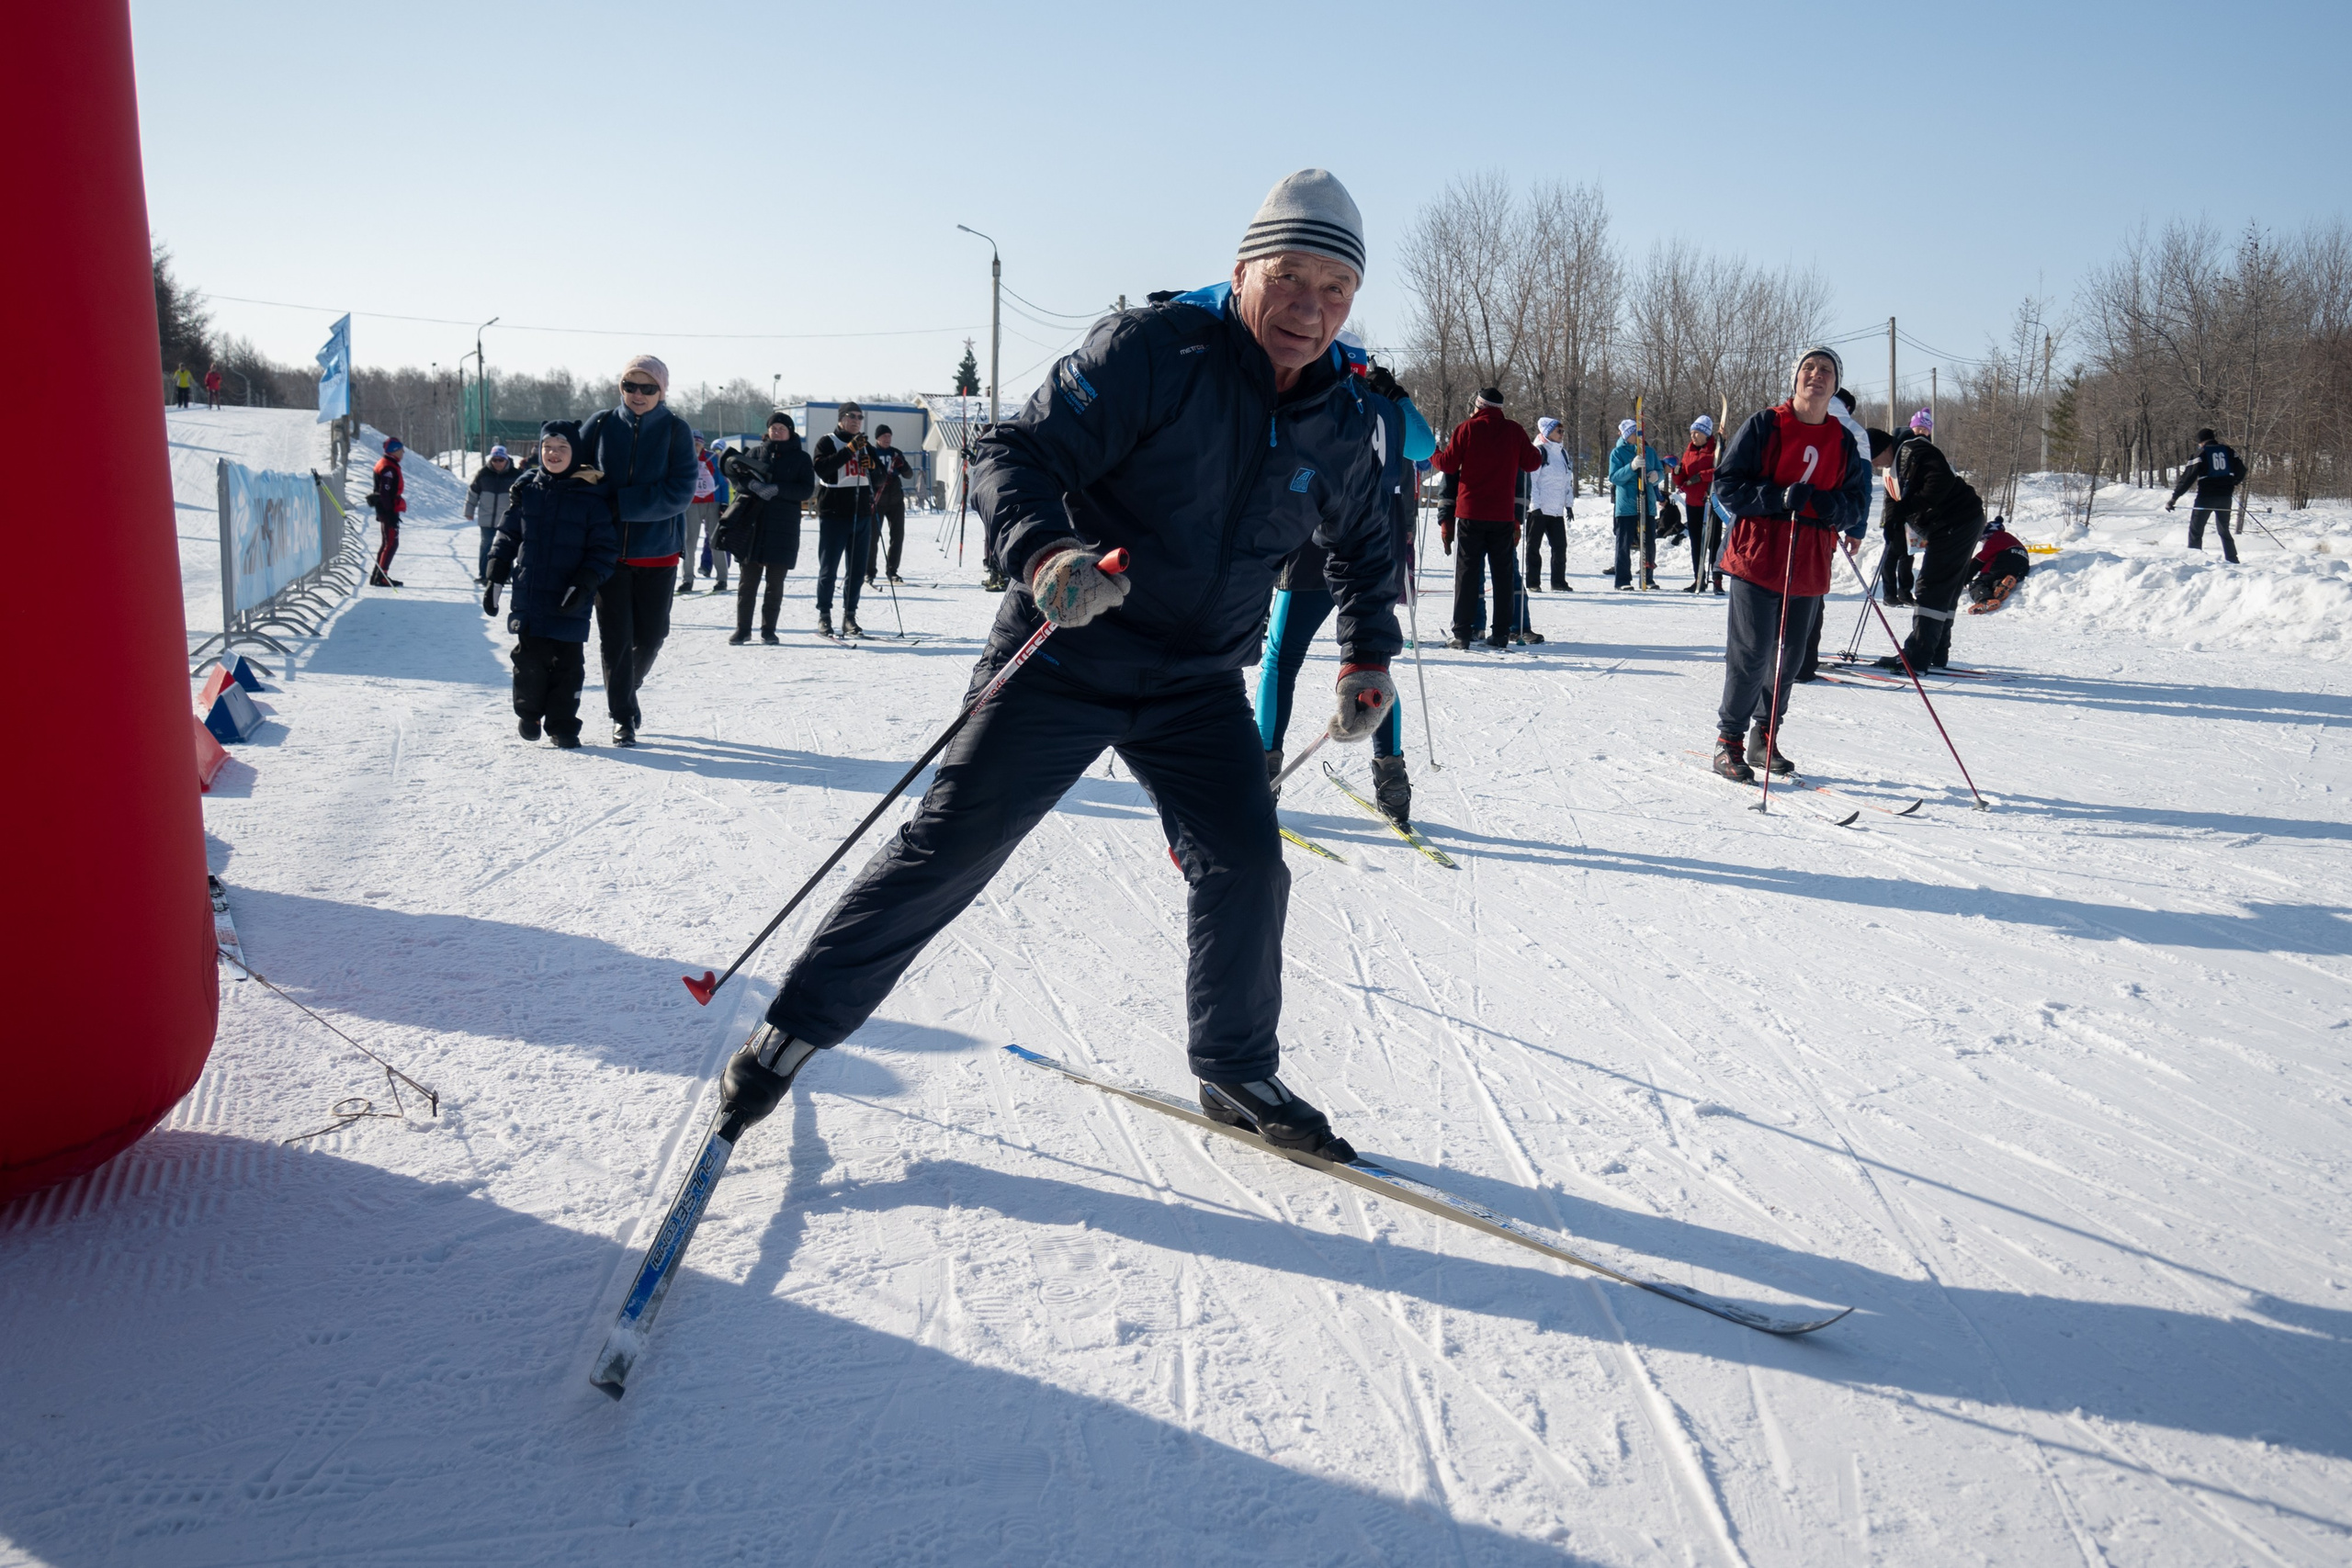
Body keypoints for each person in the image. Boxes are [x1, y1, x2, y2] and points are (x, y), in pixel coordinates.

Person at [712, 169, 1401, 1161]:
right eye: (1291, 279)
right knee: (953, 844)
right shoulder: (1153, 353)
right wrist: (1045, 553)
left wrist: (1365, 655)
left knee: (1247, 862)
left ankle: (1235, 1065)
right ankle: (790, 1035)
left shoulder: (1340, 415)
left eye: (1334, 291)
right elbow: (1013, 452)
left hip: (1196, 682)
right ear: (1245, 269)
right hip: (1069, 648)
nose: (1309, 310)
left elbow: (1364, 547)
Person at [1259, 345, 1430, 827]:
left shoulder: (1313, 397)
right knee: (1371, 660)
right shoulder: (1384, 408)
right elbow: (1423, 446)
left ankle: (1263, 771)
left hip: (1317, 546)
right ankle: (1391, 779)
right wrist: (1398, 396)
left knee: (1282, 659)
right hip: (1373, 549)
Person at [1707, 347, 1870, 782]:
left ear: (1836, 385)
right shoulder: (1766, 424)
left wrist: (1823, 502)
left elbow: (1855, 504)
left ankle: (1765, 735)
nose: (1816, 376)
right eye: (1809, 369)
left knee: (1792, 656)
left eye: (1827, 371)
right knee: (1753, 651)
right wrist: (1775, 498)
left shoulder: (1843, 440)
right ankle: (1729, 742)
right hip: (1759, 553)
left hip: (1810, 560)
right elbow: (1726, 484)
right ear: (1796, 378)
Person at [579, 355, 698, 748]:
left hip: (658, 552)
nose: (638, 394)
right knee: (615, 639)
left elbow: (680, 492)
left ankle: (627, 686)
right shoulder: (600, 425)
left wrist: (622, 503)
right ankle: (623, 716)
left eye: (648, 387)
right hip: (607, 553)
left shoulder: (676, 430)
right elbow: (569, 468)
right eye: (630, 386)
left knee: (651, 636)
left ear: (662, 391)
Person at [482, 421, 620, 749]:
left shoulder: (591, 498)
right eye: (547, 448)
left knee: (568, 666)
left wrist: (586, 582)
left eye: (562, 449)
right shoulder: (528, 492)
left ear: (575, 454)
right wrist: (496, 574)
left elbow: (604, 550)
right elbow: (508, 534)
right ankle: (529, 713)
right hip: (530, 594)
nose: (554, 455)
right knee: (529, 660)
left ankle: (563, 725)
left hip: (569, 596)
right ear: (539, 451)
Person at [1875, 409, 1985, 671]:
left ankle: (1919, 655)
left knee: (1931, 585)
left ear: (1884, 448)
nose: (1874, 463)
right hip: (1958, 522)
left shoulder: (1916, 449)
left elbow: (1940, 481)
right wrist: (1892, 522)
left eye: (1874, 457)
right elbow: (1894, 497)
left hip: (1956, 521)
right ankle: (1935, 651)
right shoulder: (1894, 464)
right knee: (1945, 588)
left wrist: (1910, 507)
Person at [1433, 388, 1540, 649]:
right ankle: (1501, 634)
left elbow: (1447, 465)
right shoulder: (1514, 430)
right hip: (1502, 514)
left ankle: (1462, 633)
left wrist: (1432, 453)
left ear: (1478, 405)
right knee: (1503, 575)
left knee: (1468, 574)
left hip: (1471, 512)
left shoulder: (1467, 428)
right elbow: (1533, 462)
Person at [722, 412, 816, 645]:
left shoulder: (802, 458)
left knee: (775, 584)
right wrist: (751, 484)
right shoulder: (754, 453)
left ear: (791, 431)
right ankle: (743, 629)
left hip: (783, 527)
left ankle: (768, 630)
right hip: (753, 524)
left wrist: (777, 489)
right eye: (773, 427)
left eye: (781, 428)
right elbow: (737, 478)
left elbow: (806, 490)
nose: (776, 431)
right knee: (747, 583)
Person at [810, 402, 874, 637]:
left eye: (860, 417)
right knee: (829, 569)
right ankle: (824, 615)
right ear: (841, 419)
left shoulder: (865, 445)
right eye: (851, 416)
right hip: (834, 515)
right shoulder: (828, 442)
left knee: (857, 571)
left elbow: (876, 479)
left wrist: (872, 466)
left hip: (862, 515)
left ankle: (849, 615)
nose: (856, 420)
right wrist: (849, 450)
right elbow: (822, 469)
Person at [2167, 426, 2245, 563]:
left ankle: (2195, 560)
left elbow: (2188, 478)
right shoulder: (2228, 451)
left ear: (2201, 442)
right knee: (2224, 530)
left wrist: (2174, 498)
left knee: (2196, 530)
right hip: (2225, 497)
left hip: (2205, 498)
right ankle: (2233, 559)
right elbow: (2242, 469)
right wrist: (2233, 482)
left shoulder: (2201, 453)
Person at [1607, 419, 1666, 589]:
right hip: (1626, 506)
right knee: (1624, 543)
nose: (1638, 437)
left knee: (1649, 543)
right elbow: (1614, 478)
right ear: (1627, 435)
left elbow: (1660, 472)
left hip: (1647, 504)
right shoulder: (1617, 453)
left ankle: (1648, 577)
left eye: (1639, 433)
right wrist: (1631, 467)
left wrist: (1657, 476)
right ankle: (1623, 580)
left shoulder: (1650, 452)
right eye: (1634, 434)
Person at [1524, 417, 1575, 592]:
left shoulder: (1563, 454)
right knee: (1533, 547)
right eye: (1558, 431)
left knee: (1560, 548)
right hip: (1538, 510)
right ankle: (1533, 582)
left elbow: (1567, 480)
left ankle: (1558, 582)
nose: (1562, 434)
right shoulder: (1538, 452)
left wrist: (1568, 504)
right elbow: (1531, 481)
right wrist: (1535, 506)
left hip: (1556, 511)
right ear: (1547, 432)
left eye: (1563, 431)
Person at [865, 424, 915, 587]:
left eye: (889, 436)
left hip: (895, 500)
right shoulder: (872, 452)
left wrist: (903, 465)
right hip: (877, 500)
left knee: (897, 536)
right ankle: (869, 571)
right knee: (872, 538)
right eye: (884, 436)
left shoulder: (895, 453)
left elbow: (908, 475)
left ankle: (892, 570)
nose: (887, 439)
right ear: (877, 438)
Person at [1677, 414, 1720, 592]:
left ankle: (1717, 579)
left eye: (1696, 433)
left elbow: (1721, 471)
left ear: (1705, 434)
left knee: (1714, 542)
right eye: (1691, 433)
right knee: (1696, 542)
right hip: (1693, 503)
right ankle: (1698, 578)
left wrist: (1702, 476)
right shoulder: (1689, 451)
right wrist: (1677, 473)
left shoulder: (1716, 451)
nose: (1693, 436)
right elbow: (1683, 480)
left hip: (1710, 502)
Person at [464, 445, 519, 584]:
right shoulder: (483, 474)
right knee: (486, 546)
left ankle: (505, 576)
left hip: (506, 519)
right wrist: (469, 511)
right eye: (495, 460)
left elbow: (522, 496)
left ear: (506, 459)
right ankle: (484, 575)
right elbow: (473, 493)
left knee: (506, 548)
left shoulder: (515, 475)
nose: (498, 463)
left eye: (501, 460)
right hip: (487, 518)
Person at [366, 436, 407, 587]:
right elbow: (385, 493)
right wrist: (390, 514)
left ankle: (378, 575)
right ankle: (382, 576)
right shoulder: (388, 467)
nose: (403, 453)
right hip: (388, 509)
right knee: (391, 543)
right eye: (401, 450)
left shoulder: (389, 464)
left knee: (387, 543)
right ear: (394, 451)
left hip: (387, 508)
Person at [1966, 518, 2030, 612]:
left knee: (1978, 583)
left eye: (1983, 540)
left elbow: (1979, 561)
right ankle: (2001, 585)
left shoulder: (1995, 539)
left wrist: (1965, 578)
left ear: (1987, 535)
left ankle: (1985, 601)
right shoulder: (2011, 539)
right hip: (2022, 565)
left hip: (2004, 560)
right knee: (1994, 578)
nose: (1983, 543)